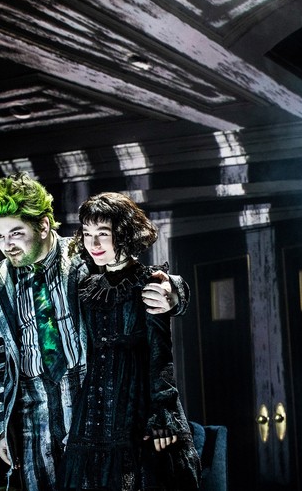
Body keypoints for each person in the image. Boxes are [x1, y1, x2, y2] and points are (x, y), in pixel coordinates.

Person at [0, 172, 189, 491]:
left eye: (15, 233)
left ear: (43, 225)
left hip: (92, 394)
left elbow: (139, 277)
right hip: (32, 409)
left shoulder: (85, 253)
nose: (7, 245)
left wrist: (174, 292)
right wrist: (1, 429)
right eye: (0, 236)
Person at [60, 191, 201, 491]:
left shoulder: (149, 283)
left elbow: (160, 356)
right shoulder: (88, 287)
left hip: (138, 404)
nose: (94, 244)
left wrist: (162, 414)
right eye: (88, 234)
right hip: (92, 409)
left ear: (124, 233)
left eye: (103, 233)